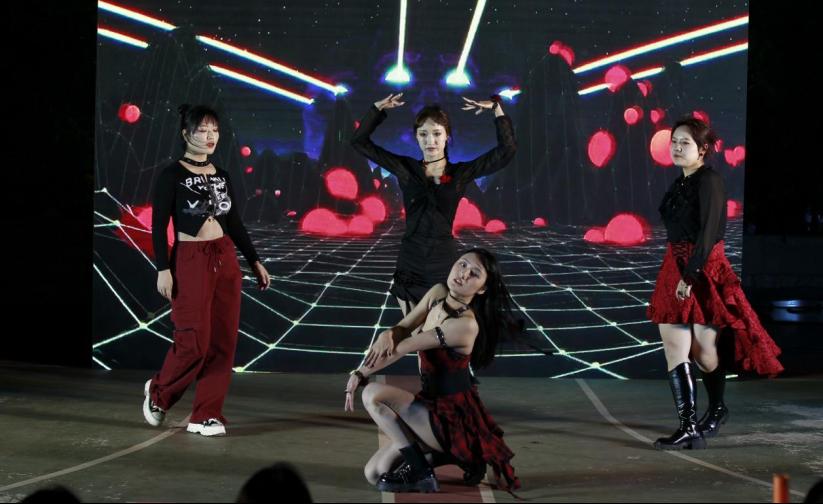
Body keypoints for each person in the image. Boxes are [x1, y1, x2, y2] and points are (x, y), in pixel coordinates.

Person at [647, 117, 783, 450]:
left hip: (704, 268)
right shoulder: (679, 183)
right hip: (673, 268)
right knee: (675, 348)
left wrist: (691, 275)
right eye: (674, 142)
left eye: (685, 143)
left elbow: (708, 234)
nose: (677, 148)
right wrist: (678, 273)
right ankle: (688, 427)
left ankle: (718, 408)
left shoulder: (710, 181)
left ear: (703, 149)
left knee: (704, 353)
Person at [344, 249, 521, 492]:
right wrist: (389, 332)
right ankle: (451, 456)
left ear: (482, 289)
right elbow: (404, 328)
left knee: (372, 394)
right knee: (374, 473)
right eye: (462, 264)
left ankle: (422, 470)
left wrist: (360, 373)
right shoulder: (438, 294)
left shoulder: (465, 325)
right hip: (428, 406)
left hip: (451, 418)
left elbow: (401, 347)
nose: (463, 274)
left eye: (474, 273)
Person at [143, 104, 271, 437]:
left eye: (214, 129)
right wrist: (163, 268)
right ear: (186, 134)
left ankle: (206, 415)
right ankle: (159, 393)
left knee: (223, 341)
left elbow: (234, 222)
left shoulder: (222, 175)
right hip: (190, 258)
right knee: (194, 341)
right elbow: (159, 225)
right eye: (202, 130)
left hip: (225, 257)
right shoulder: (171, 175)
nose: (210, 136)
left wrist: (254, 260)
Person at [351, 93, 516, 316]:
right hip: (410, 259)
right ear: (416, 138)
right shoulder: (405, 168)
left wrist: (496, 108)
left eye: (437, 133)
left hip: (443, 260)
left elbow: (507, 150)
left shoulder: (459, 174)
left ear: (447, 136)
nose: (430, 141)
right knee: (410, 328)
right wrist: (377, 108)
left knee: (440, 326)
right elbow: (359, 142)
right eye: (423, 134)